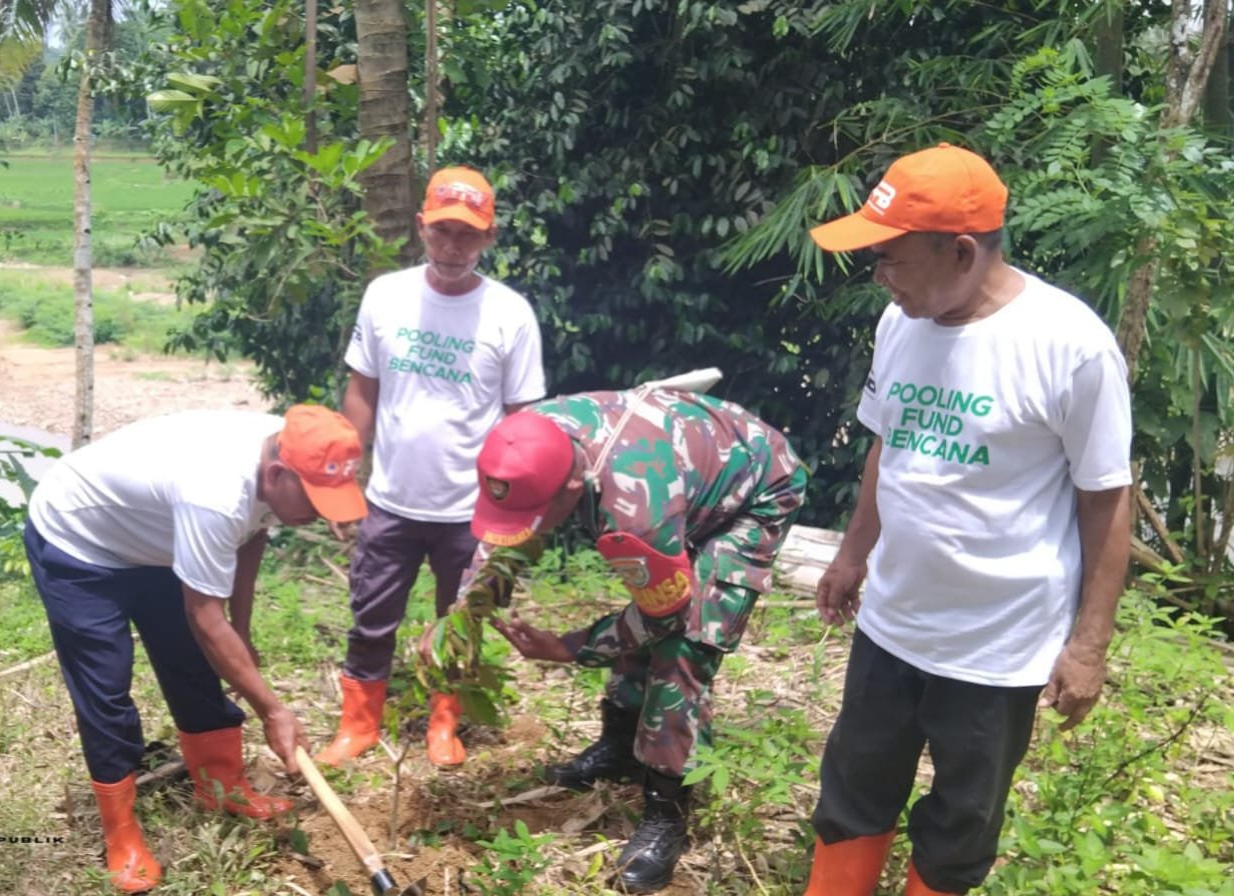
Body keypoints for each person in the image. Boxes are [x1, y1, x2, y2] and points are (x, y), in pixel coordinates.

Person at [800, 144, 1133, 895]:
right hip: (893, 621)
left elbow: (1106, 498)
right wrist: (854, 556)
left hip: (998, 644)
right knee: (852, 791)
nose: (880, 277)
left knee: (961, 819)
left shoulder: (1070, 347)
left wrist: (1088, 646)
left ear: (960, 252)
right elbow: (889, 445)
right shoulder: (901, 324)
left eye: (891, 259)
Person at [456, 387, 806, 893]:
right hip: (687, 467)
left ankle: (667, 810)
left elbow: (662, 615)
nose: (525, 529)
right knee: (649, 606)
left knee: (684, 643)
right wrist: (466, 608)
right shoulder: (524, 438)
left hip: (755, 487)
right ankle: (620, 746)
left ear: (573, 485)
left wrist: (570, 647)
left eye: (535, 518)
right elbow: (505, 530)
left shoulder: (636, 508)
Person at [22, 404, 367, 893]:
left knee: (194, 662)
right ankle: (121, 832)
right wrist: (272, 711)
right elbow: (206, 617)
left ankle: (221, 785)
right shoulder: (216, 492)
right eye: (313, 499)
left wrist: (241, 632)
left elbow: (253, 532)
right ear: (277, 473)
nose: (316, 513)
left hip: (157, 539)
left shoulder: (284, 447)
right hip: (80, 542)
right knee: (106, 684)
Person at [317, 165, 545, 768]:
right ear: (421, 228)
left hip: (472, 512)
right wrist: (344, 480)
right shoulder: (386, 296)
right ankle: (359, 724)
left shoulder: (510, 314)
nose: (452, 248)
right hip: (391, 500)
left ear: (489, 238)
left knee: (462, 621)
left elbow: (524, 422)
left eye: (467, 236)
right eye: (442, 232)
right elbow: (361, 391)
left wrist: (517, 512)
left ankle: (445, 723)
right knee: (371, 618)